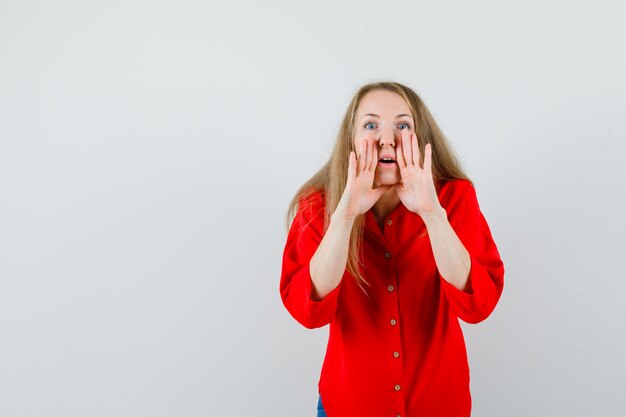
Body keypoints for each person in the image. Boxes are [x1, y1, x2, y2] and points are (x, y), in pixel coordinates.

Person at [279, 81, 505, 417]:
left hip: (439, 404)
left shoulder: (455, 199)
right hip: (349, 405)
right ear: (351, 142)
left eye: (402, 125)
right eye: (371, 125)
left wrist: (432, 215)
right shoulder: (317, 206)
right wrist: (344, 216)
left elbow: (478, 306)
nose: (387, 138)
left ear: (421, 137)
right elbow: (307, 311)